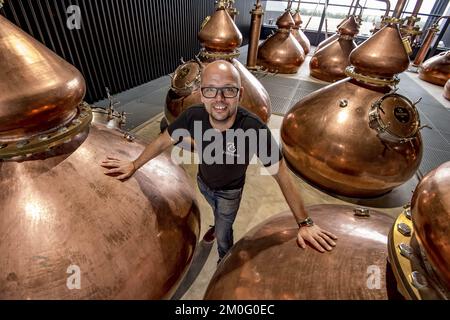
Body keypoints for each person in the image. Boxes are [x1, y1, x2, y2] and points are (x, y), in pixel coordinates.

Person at [101, 60, 337, 264]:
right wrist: (134, 164)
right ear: (202, 94)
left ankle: (225, 259)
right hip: (203, 183)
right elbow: (164, 140)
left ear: (240, 94)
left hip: (229, 193)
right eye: (211, 90)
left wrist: (305, 223)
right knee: (216, 214)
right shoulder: (193, 115)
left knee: (225, 232)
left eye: (229, 90)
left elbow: (282, 175)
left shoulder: (253, 129)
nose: (220, 99)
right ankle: (217, 224)